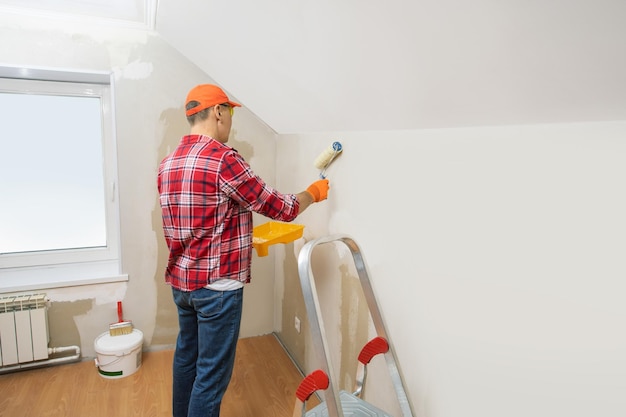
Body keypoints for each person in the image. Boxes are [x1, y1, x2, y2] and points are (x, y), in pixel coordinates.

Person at [157, 84, 330, 417]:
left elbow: (197, 223)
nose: (231, 121)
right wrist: (312, 192)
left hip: (183, 284)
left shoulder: (168, 164)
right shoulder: (223, 160)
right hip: (217, 289)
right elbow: (282, 208)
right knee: (210, 376)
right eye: (230, 112)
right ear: (218, 111)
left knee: (186, 361)